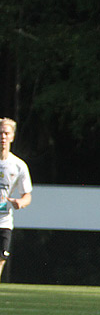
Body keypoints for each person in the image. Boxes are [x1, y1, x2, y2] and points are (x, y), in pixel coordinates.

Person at [0, 118, 33, 283]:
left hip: (4, 223)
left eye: (6, 133)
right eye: (0, 133)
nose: (3, 137)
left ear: (12, 136)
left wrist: (21, 202)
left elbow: (27, 195)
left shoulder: (18, 166)